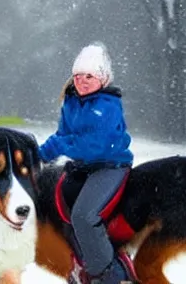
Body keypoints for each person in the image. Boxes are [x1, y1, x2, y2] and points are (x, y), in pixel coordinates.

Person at [39, 42, 135, 284]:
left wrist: (62, 146)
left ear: (102, 78)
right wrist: (38, 155)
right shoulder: (71, 102)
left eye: (89, 76)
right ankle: (85, 260)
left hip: (109, 166)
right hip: (84, 167)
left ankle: (107, 274)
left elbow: (95, 145)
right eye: (77, 76)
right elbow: (62, 136)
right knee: (63, 209)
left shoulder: (107, 105)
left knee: (84, 215)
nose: (82, 81)